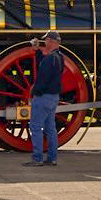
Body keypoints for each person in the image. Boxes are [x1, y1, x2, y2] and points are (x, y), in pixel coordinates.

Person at [24, 31, 65, 167]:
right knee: (50, 129)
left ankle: (37, 158)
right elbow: (47, 67)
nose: (45, 43)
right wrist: (37, 51)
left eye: (46, 40)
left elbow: (43, 78)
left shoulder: (49, 59)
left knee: (35, 127)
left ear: (50, 41)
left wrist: (35, 93)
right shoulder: (59, 57)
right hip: (54, 97)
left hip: (43, 97)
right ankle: (52, 158)